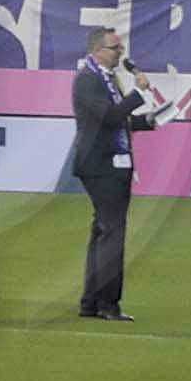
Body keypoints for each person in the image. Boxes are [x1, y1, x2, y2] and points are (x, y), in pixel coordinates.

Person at [68, 23, 157, 320]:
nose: (121, 52)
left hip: (110, 161)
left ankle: (91, 301)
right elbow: (108, 117)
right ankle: (108, 303)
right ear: (97, 50)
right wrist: (138, 94)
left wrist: (149, 121)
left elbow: (119, 121)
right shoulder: (88, 80)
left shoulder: (106, 78)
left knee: (103, 232)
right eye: (115, 48)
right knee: (112, 233)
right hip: (100, 163)